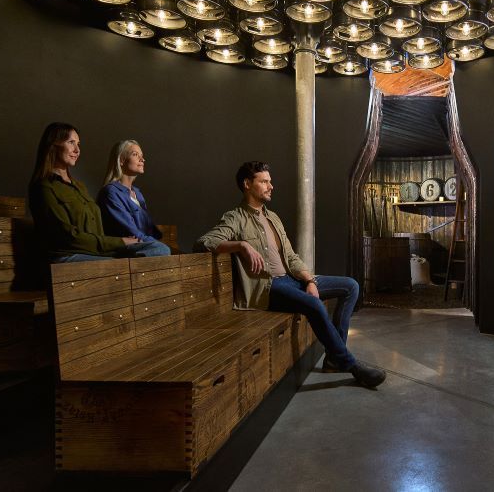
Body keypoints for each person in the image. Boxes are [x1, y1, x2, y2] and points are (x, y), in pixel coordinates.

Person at [195, 161, 386, 388]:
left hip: (291, 280)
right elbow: (204, 242)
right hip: (268, 287)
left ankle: (334, 357)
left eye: (270, 181)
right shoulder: (235, 218)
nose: (271, 186)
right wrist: (241, 246)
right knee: (314, 306)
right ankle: (350, 365)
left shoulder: (273, 218)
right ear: (247, 184)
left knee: (351, 286)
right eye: (264, 181)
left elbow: (291, 257)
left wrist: (309, 280)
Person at [28, 123, 171, 262]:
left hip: (97, 251)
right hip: (67, 255)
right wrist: (120, 242)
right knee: (157, 251)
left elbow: (98, 231)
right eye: (71, 142)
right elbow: (66, 237)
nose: (77, 150)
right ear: (53, 145)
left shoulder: (79, 186)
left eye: (78, 144)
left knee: (159, 250)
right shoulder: (44, 187)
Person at [97, 140, 171, 255]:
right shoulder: (111, 192)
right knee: (162, 250)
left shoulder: (137, 193)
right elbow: (131, 232)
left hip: (143, 245)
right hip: (123, 248)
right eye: (135, 154)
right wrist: (158, 244)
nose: (142, 159)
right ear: (121, 160)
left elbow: (148, 230)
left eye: (142, 156)